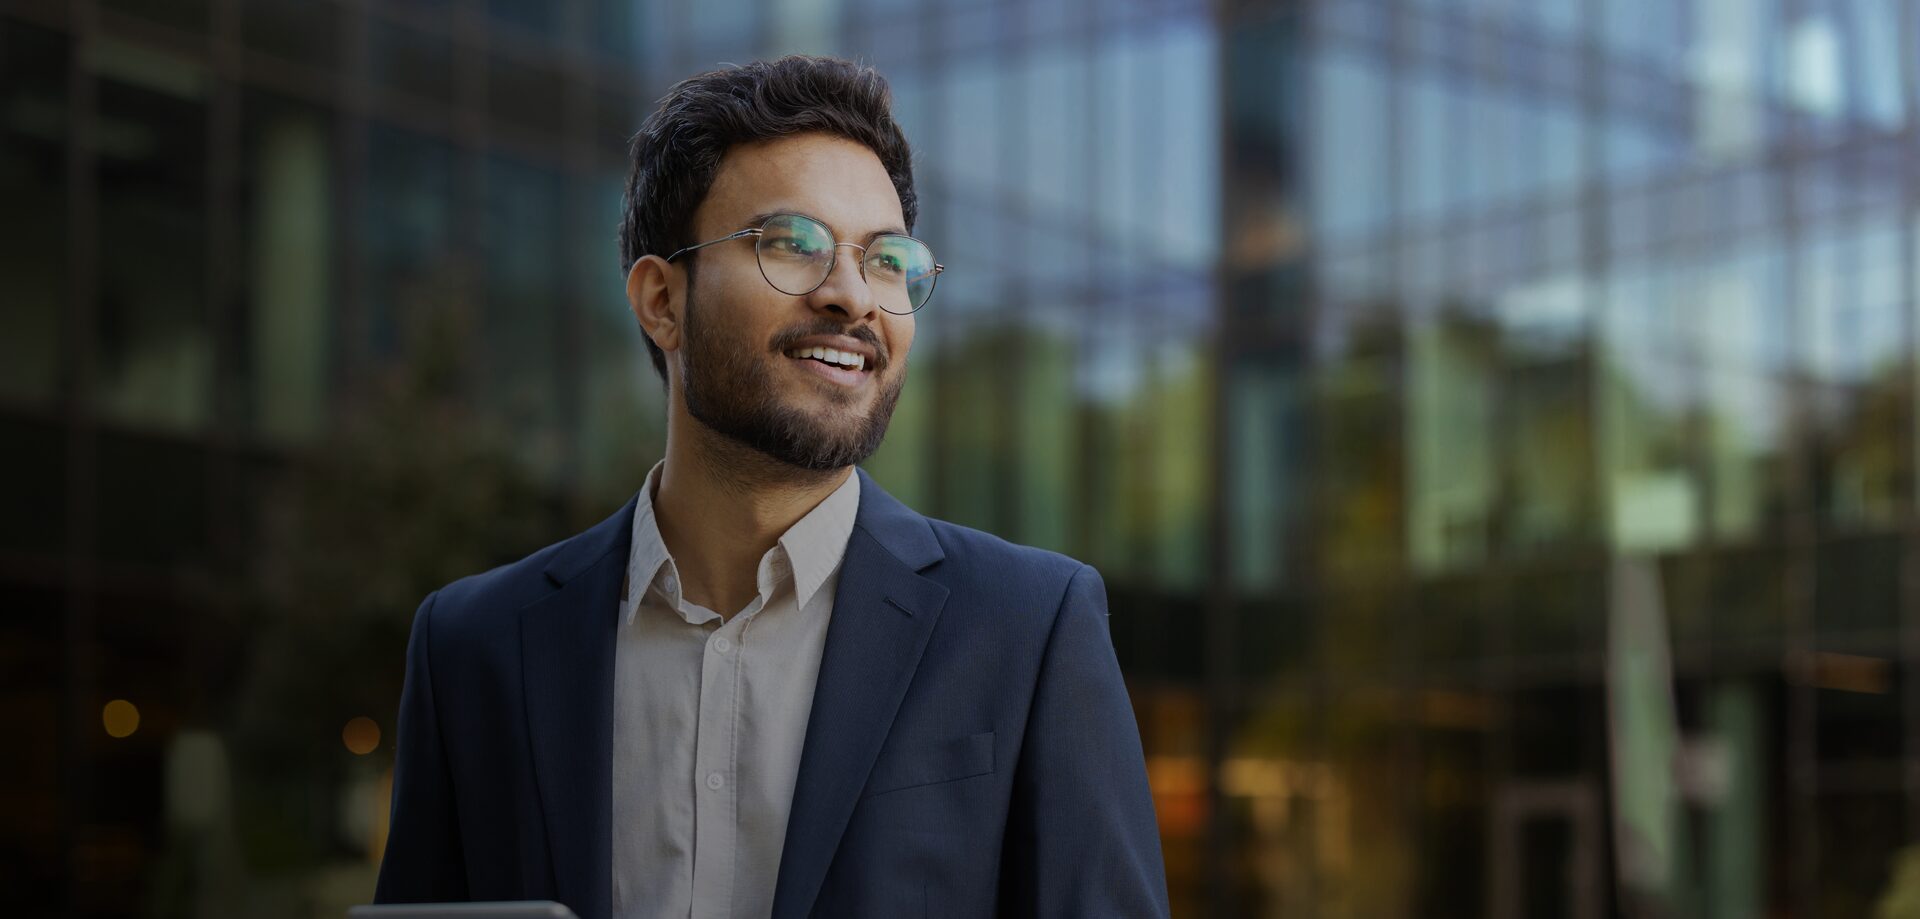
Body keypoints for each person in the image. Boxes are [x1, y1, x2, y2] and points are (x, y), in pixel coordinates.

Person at [372, 55, 1169, 919]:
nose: (851, 296)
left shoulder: (1029, 628)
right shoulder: (474, 647)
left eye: (888, 259)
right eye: (793, 244)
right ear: (661, 300)